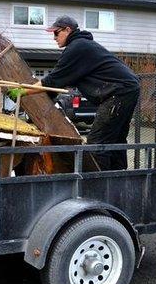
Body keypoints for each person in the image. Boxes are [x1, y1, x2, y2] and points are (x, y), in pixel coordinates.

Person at [8, 15, 140, 171]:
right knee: (115, 140)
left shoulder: (77, 47)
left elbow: (52, 80)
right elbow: (59, 82)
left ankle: (99, 184)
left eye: (56, 33)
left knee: (97, 142)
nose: (54, 38)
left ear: (67, 30)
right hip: (127, 88)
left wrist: (22, 91)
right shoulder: (82, 46)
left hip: (118, 92)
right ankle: (119, 177)